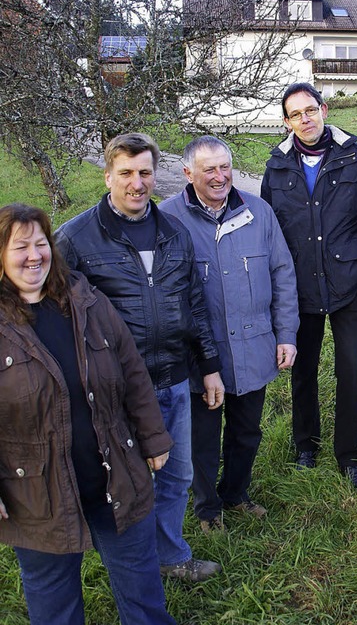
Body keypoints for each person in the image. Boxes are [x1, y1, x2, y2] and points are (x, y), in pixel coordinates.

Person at [55, 133, 225, 582]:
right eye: (126, 173)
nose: (137, 183)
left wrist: (208, 367)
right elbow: (50, 311)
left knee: (177, 476)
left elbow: (194, 304)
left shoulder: (174, 232)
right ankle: (132, 567)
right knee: (127, 484)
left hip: (172, 378)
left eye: (145, 172)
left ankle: (169, 556)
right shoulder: (75, 238)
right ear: (108, 174)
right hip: (113, 390)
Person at [0, 203, 176, 625]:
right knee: (53, 601)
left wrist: (153, 438)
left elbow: (132, 370)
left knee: (142, 588)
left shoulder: (83, 298)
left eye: (40, 243)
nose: (34, 256)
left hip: (113, 471)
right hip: (37, 492)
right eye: (20, 247)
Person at [159, 136, 299, 532]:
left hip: (254, 345)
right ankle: (208, 509)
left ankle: (236, 494)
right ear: (188, 173)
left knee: (247, 430)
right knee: (202, 438)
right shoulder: (168, 219)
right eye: (209, 170)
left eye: (225, 167)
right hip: (200, 355)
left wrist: (286, 334)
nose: (220, 177)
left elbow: (282, 274)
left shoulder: (258, 212)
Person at [261, 82, 357, 488]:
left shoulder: (356, 158)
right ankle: (305, 445)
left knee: (352, 368)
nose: (305, 120)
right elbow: (269, 231)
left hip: (347, 285)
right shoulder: (276, 168)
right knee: (302, 369)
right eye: (295, 114)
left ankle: (349, 454)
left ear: (323, 109)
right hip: (299, 289)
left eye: (310, 110)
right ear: (287, 121)